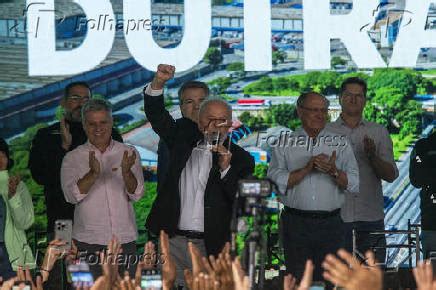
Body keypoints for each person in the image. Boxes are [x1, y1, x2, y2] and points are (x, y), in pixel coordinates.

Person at [143, 64, 254, 288]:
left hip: (211, 245)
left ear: (230, 124)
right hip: (172, 240)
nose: (215, 125)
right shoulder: (180, 139)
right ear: (200, 121)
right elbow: (157, 115)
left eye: (222, 120)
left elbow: (241, 202)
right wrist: (158, 83)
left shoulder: (241, 159)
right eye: (209, 119)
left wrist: (225, 169)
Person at [267, 92, 359, 287]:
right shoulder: (284, 143)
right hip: (295, 224)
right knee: (299, 280)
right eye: (314, 110)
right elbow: (275, 180)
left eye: (324, 111)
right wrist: (306, 170)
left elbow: (354, 183)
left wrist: (334, 171)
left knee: (332, 281)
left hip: (332, 224)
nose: (320, 115)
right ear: (300, 112)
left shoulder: (340, 143)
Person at [60, 99, 144, 278]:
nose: (98, 128)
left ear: (111, 122)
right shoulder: (72, 158)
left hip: (125, 240)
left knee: (129, 287)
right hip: (85, 243)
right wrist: (93, 174)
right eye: (92, 123)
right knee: (85, 288)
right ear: (84, 125)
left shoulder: (129, 152)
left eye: (103, 122)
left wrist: (127, 172)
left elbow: (137, 194)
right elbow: (71, 197)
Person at [28, 82, 123, 236]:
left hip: (101, 218)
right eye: (75, 98)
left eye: (86, 99)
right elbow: (40, 176)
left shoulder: (108, 134)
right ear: (63, 102)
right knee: (63, 257)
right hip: (62, 219)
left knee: (102, 260)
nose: (81, 104)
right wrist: (64, 148)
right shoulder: (46, 136)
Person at [327, 77, 398, 264]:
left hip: (370, 219)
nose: (353, 99)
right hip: (334, 220)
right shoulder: (323, 133)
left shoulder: (378, 132)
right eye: (349, 95)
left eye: (358, 96)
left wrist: (372, 156)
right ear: (340, 98)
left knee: (373, 279)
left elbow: (391, 176)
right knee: (336, 281)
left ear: (365, 100)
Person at [157, 81, 209, 188]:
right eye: (190, 102)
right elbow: (165, 183)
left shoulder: (219, 134)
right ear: (181, 106)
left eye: (201, 101)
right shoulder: (171, 135)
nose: (197, 106)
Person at [0, 138, 35, 279]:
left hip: (12, 256)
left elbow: (25, 223)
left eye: (2, 154)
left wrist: (14, 197)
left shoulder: (19, 185)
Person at [410, 129, 436, 258]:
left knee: (431, 268)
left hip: (430, 217)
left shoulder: (422, 146)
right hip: (430, 219)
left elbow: (416, 181)